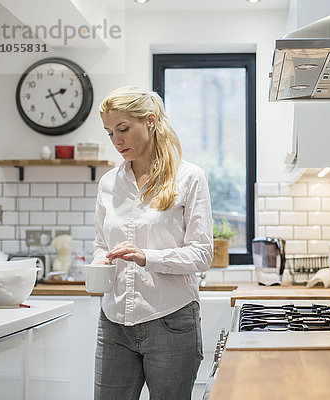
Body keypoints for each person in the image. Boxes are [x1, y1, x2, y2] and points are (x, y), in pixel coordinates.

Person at [92, 86, 213, 400]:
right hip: (114, 320)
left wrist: (148, 257)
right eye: (109, 133)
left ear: (149, 121)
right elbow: (99, 244)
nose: (117, 140)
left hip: (170, 320)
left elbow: (202, 254)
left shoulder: (189, 178)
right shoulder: (108, 183)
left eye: (123, 129)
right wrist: (99, 262)